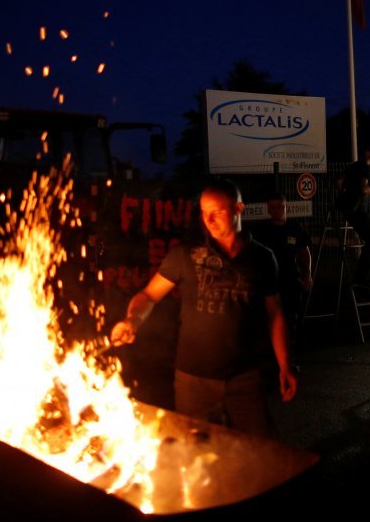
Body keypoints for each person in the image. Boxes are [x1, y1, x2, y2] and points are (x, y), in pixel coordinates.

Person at [109, 178, 297, 437]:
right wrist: (132, 319)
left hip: (245, 379)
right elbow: (149, 295)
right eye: (204, 213)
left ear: (238, 210)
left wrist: (285, 365)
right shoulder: (185, 255)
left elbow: (274, 314)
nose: (209, 221)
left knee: (257, 451)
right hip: (193, 382)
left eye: (217, 212)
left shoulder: (262, 258)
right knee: (197, 458)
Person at [251, 191, 313, 347]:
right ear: (268, 209)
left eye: (280, 206)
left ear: (286, 207)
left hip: (290, 281)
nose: (276, 210)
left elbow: (304, 252)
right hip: (269, 282)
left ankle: (289, 352)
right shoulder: (261, 230)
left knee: (290, 318)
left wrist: (307, 275)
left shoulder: (295, 228)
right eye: (272, 207)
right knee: (268, 318)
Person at [336, 143, 370, 288]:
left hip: (347, 209)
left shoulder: (353, 166)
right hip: (357, 210)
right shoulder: (364, 168)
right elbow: (364, 188)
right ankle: (361, 277)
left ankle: (361, 276)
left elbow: (338, 180)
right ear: (367, 152)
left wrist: (344, 195)